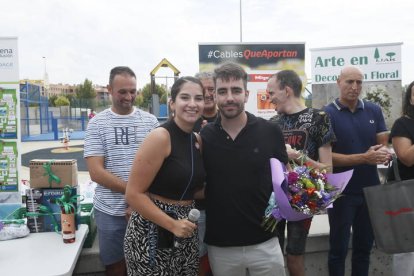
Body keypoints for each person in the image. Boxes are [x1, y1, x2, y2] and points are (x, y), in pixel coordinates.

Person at [200, 62, 288, 276]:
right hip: (221, 246)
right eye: (222, 91)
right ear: (215, 95)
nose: (229, 97)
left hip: (265, 243)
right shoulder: (204, 137)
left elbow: (283, 180)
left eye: (236, 90)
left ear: (246, 94)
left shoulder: (271, 131)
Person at [124, 76, 206, 276]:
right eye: (185, 97)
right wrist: (172, 224)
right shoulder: (160, 137)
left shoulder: (197, 140)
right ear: (172, 103)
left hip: (185, 228)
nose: (192, 104)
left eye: (199, 98)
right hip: (152, 230)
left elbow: (194, 189)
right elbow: (133, 194)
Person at [84, 66, 159, 276]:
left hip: (146, 209)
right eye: (123, 91)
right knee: (115, 267)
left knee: (148, 265)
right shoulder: (97, 124)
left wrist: (139, 201)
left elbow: (159, 167)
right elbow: (96, 173)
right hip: (110, 211)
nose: (129, 96)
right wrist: (134, 195)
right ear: (109, 89)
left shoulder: (150, 122)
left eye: (133, 91)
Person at [323, 66, 392, 276]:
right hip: (340, 191)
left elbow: (381, 145)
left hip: (370, 191)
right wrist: (364, 157)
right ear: (338, 82)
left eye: (359, 82)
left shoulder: (373, 110)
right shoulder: (326, 114)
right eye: (349, 82)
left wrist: (384, 153)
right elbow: (325, 158)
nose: (355, 87)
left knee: (363, 249)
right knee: (338, 249)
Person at [267, 69, 335, 276]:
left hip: (304, 200)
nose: (269, 100)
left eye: (271, 93)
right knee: (272, 255)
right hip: (273, 201)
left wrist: (299, 157)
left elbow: (328, 169)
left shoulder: (319, 118)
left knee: (295, 257)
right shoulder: (272, 124)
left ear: (286, 90)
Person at [193, 71, 218, 276]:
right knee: (200, 260)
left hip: (226, 205)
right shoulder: (187, 120)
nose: (208, 94)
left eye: (212, 89)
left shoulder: (230, 117)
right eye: (204, 90)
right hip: (198, 206)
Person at [390, 81, 414, 276]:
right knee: (407, 249)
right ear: (410, 99)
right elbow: (406, 157)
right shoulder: (402, 124)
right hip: (406, 194)